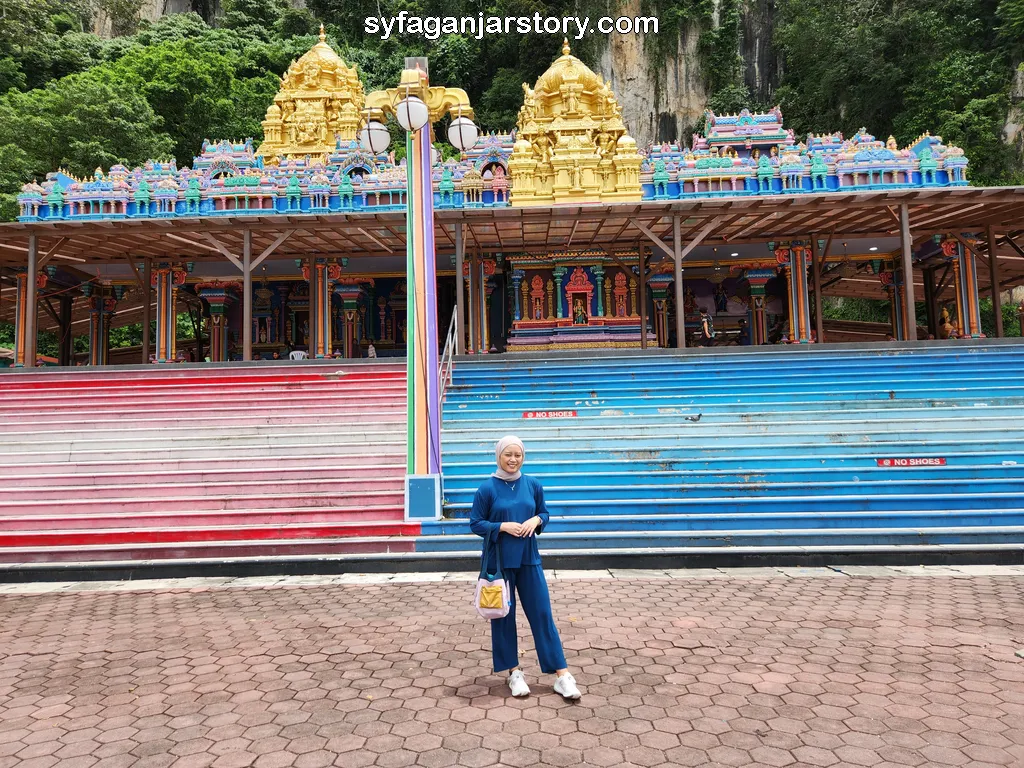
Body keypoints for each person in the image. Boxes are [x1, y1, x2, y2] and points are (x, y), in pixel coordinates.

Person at [469, 436, 581, 701]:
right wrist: (501, 527)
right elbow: (476, 523)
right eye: (508, 454)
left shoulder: (533, 484)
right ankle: (514, 673)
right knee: (503, 617)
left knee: (542, 614)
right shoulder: (487, 488)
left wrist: (536, 520)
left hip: (529, 558)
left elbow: (544, 514)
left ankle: (562, 676)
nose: (513, 459)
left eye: (518, 455)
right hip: (499, 563)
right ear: (498, 456)